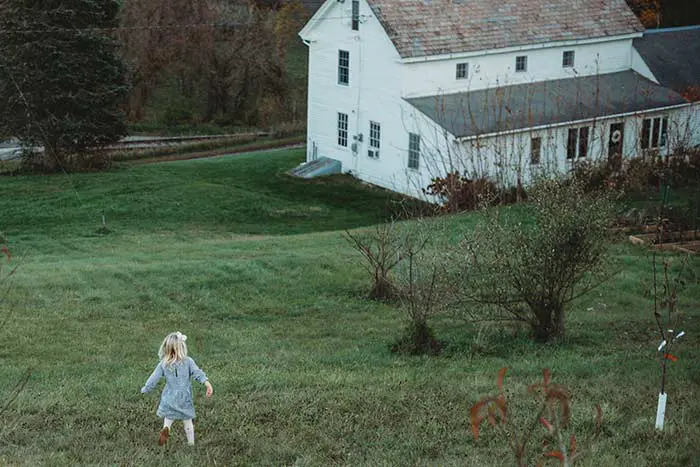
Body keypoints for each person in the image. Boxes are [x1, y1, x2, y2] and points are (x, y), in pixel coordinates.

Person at [141, 331, 213, 446]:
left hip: (169, 397)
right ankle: (191, 443)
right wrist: (206, 383)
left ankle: (165, 431)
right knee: (187, 421)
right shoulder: (188, 361)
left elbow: (153, 378)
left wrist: (146, 388)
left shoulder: (164, 364)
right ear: (182, 347)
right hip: (184, 398)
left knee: (168, 418)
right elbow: (197, 373)